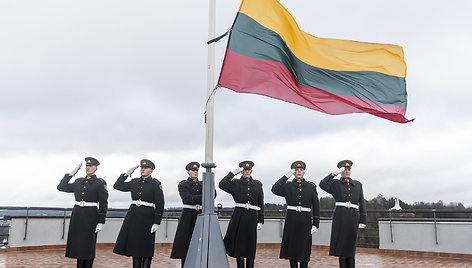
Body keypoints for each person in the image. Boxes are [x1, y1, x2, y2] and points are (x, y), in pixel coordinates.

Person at [57, 157, 108, 268]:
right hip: (77, 216)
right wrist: (71, 174)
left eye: (91, 166)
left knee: (88, 245)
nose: (88, 168)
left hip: (91, 217)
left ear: (96, 168)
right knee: (79, 245)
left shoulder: (99, 183)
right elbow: (61, 187)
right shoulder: (78, 182)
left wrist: (101, 221)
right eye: (87, 166)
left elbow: (103, 203)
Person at [113, 159, 165, 268]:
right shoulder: (134, 182)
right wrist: (127, 174)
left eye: (145, 168)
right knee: (135, 247)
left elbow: (160, 204)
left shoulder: (155, 184)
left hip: (147, 218)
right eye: (142, 168)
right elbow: (117, 186)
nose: (143, 169)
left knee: (146, 247)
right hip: (134, 217)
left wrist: (157, 222)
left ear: (151, 171)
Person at [271, 161, 320, 268]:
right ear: (293, 173)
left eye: (301, 170)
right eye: (296, 170)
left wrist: (316, 224)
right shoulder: (287, 186)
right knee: (292, 250)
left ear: (304, 172)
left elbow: (316, 206)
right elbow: (274, 189)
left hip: (305, 221)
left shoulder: (311, 187)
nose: (298, 171)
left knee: (305, 251)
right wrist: (285, 176)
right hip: (292, 221)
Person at [319, 160, 367, 268]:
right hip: (340, 217)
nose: (347, 171)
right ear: (341, 171)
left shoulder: (358, 185)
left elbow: (362, 202)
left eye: (348, 169)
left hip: (353, 217)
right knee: (341, 247)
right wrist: (333, 174)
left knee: (351, 246)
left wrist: (363, 220)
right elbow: (322, 184)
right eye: (344, 169)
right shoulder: (335, 183)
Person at [219, 160, 264, 268]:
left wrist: (260, 220)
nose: (246, 172)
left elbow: (260, 203)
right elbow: (222, 184)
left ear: (251, 171)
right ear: (241, 171)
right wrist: (233, 173)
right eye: (244, 170)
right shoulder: (235, 183)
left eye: (248, 170)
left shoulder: (257, 184)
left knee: (250, 245)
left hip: (252, 217)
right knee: (239, 246)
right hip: (239, 217)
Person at [170, 161, 203, 267]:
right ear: (188, 172)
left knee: (201, 242)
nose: (195, 172)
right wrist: (204, 197)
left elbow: (213, 194)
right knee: (185, 243)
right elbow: (187, 199)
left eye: (197, 170)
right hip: (188, 215)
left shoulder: (203, 184)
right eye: (193, 170)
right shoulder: (183, 184)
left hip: (201, 214)